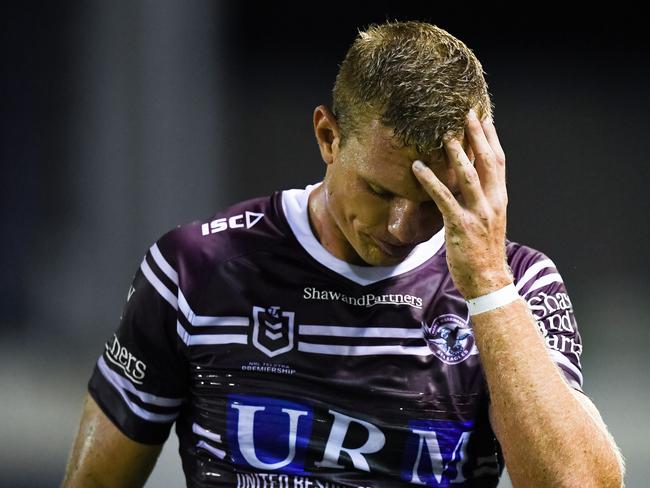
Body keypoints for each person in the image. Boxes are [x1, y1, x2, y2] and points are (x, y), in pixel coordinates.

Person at [62, 21, 624, 487]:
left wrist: (487, 284)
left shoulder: (519, 287)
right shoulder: (194, 271)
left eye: (432, 197)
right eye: (380, 192)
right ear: (328, 138)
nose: (402, 226)